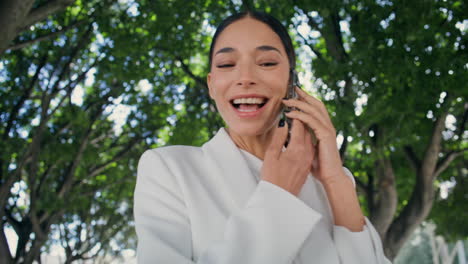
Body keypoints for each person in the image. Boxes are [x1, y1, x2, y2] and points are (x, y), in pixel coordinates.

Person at [134, 10, 392, 264]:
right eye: (227, 64)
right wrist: (278, 195)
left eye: (267, 63)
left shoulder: (326, 183)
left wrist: (336, 181)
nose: (246, 78)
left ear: (291, 79)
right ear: (212, 84)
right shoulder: (169, 169)